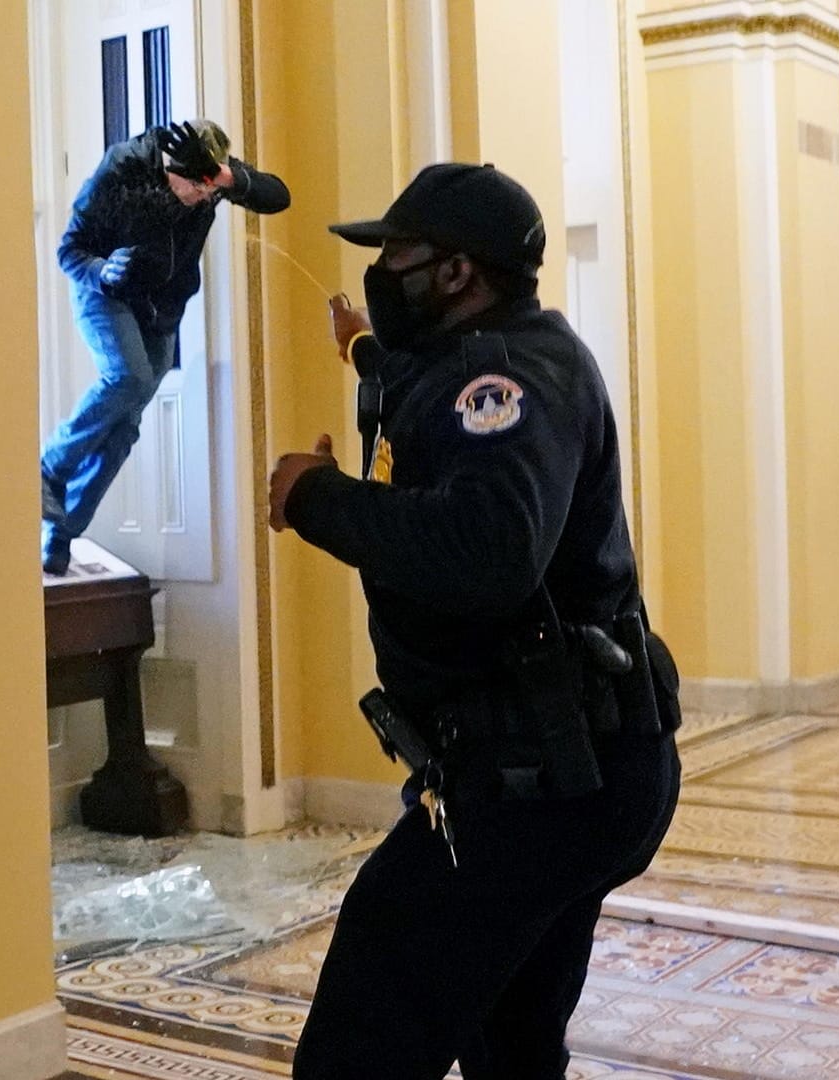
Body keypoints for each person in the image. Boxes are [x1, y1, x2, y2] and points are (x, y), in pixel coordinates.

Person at [265, 163, 683, 1078]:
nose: (383, 269)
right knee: (513, 1041)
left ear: (456, 274)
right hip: (577, 768)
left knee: (359, 1045)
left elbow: (489, 551)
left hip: (537, 782)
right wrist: (364, 348)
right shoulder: (508, 348)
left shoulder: (503, 376)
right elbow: (427, 391)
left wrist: (317, 497)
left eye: (398, 254)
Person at [41, 120, 290, 574]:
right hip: (107, 291)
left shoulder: (214, 178)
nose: (201, 196)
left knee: (125, 426)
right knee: (128, 377)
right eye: (192, 186)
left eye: (208, 189)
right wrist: (102, 271)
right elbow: (69, 250)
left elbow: (279, 196)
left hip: (161, 309)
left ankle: (61, 531)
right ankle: (49, 468)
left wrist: (227, 179)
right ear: (166, 167)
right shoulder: (123, 168)